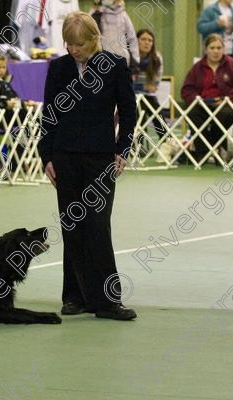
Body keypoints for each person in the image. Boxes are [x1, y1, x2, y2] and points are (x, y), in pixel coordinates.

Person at [38, 11, 137, 320]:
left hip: (100, 158)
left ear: (95, 39)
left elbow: (129, 113)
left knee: (96, 224)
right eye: (69, 44)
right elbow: (50, 114)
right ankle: (74, 296)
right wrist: (46, 156)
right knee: (72, 225)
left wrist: (123, 149)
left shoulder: (115, 66)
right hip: (64, 156)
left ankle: (108, 301)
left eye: (80, 44)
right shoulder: (59, 68)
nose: (74, 50)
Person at [181, 34, 233, 164]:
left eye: (219, 48)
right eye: (212, 48)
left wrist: (225, 99)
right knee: (192, 113)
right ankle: (204, 151)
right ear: (206, 50)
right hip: (203, 104)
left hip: (227, 104)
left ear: (223, 49)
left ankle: (211, 149)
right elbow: (187, 90)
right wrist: (197, 99)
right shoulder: (197, 68)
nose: (216, 51)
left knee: (225, 114)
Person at [132, 28, 168, 142]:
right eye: (143, 39)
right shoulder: (129, 57)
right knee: (137, 107)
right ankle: (137, 142)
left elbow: (153, 87)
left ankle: (167, 142)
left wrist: (140, 87)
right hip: (129, 96)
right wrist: (141, 87)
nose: (147, 42)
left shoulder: (157, 59)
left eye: (150, 40)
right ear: (136, 41)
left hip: (147, 96)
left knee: (157, 112)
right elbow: (124, 83)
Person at [91, 0, 139, 66]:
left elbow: (132, 39)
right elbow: (89, 35)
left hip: (122, 60)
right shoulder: (95, 13)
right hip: (101, 62)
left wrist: (135, 59)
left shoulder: (123, 15)